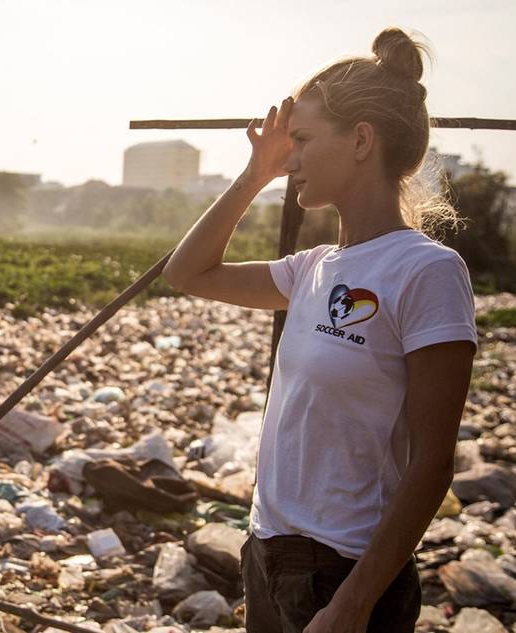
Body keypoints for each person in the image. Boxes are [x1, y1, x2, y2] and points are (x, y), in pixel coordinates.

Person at [161, 27, 477, 633]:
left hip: (345, 572)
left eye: (302, 140)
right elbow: (188, 272)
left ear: (361, 140)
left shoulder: (426, 271)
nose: (291, 159)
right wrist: (256, 172)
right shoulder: (311, 268)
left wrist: (353, 604)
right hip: (269, 550)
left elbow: (434, 464)